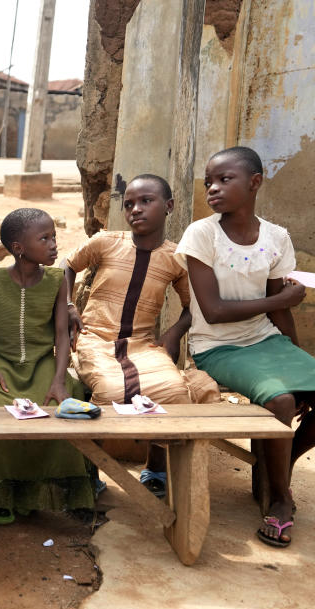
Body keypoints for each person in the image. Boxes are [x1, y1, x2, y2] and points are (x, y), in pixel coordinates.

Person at [175, 146, 315, 548]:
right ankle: (282, 497)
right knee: (282, 402)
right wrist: (279, 303)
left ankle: (275, 466)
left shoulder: (276, 237)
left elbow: (280, 312)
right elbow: (215, 311)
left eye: (224, 179)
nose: (213, 189)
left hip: (267, 340)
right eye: (208, 183)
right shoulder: (202, 234)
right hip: (217, 346)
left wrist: (298, 357)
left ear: (254, 182)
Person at [65, 174, 220, 497]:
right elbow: (68, 266)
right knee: (108, 391)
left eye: (146, 201)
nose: (136, 209)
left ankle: (157, 468)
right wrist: (68, 305)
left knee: (175, 392)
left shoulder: (176, 257)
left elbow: (195, 306)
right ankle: (88, 474)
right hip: (96, 339)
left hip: (143, 345)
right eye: (129, 204)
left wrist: (174, 333)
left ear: (169, 207)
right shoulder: (106, 242)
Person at [0, 208, 94, 524]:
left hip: (43, 364)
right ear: (18, 248)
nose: (54, 244)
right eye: (45, 238)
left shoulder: (56, 281)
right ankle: (2, 497)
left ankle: (35, 493)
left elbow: (62, 336)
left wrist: (58, 379)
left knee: (59, 405)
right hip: (2, 364)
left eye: (54, 237)